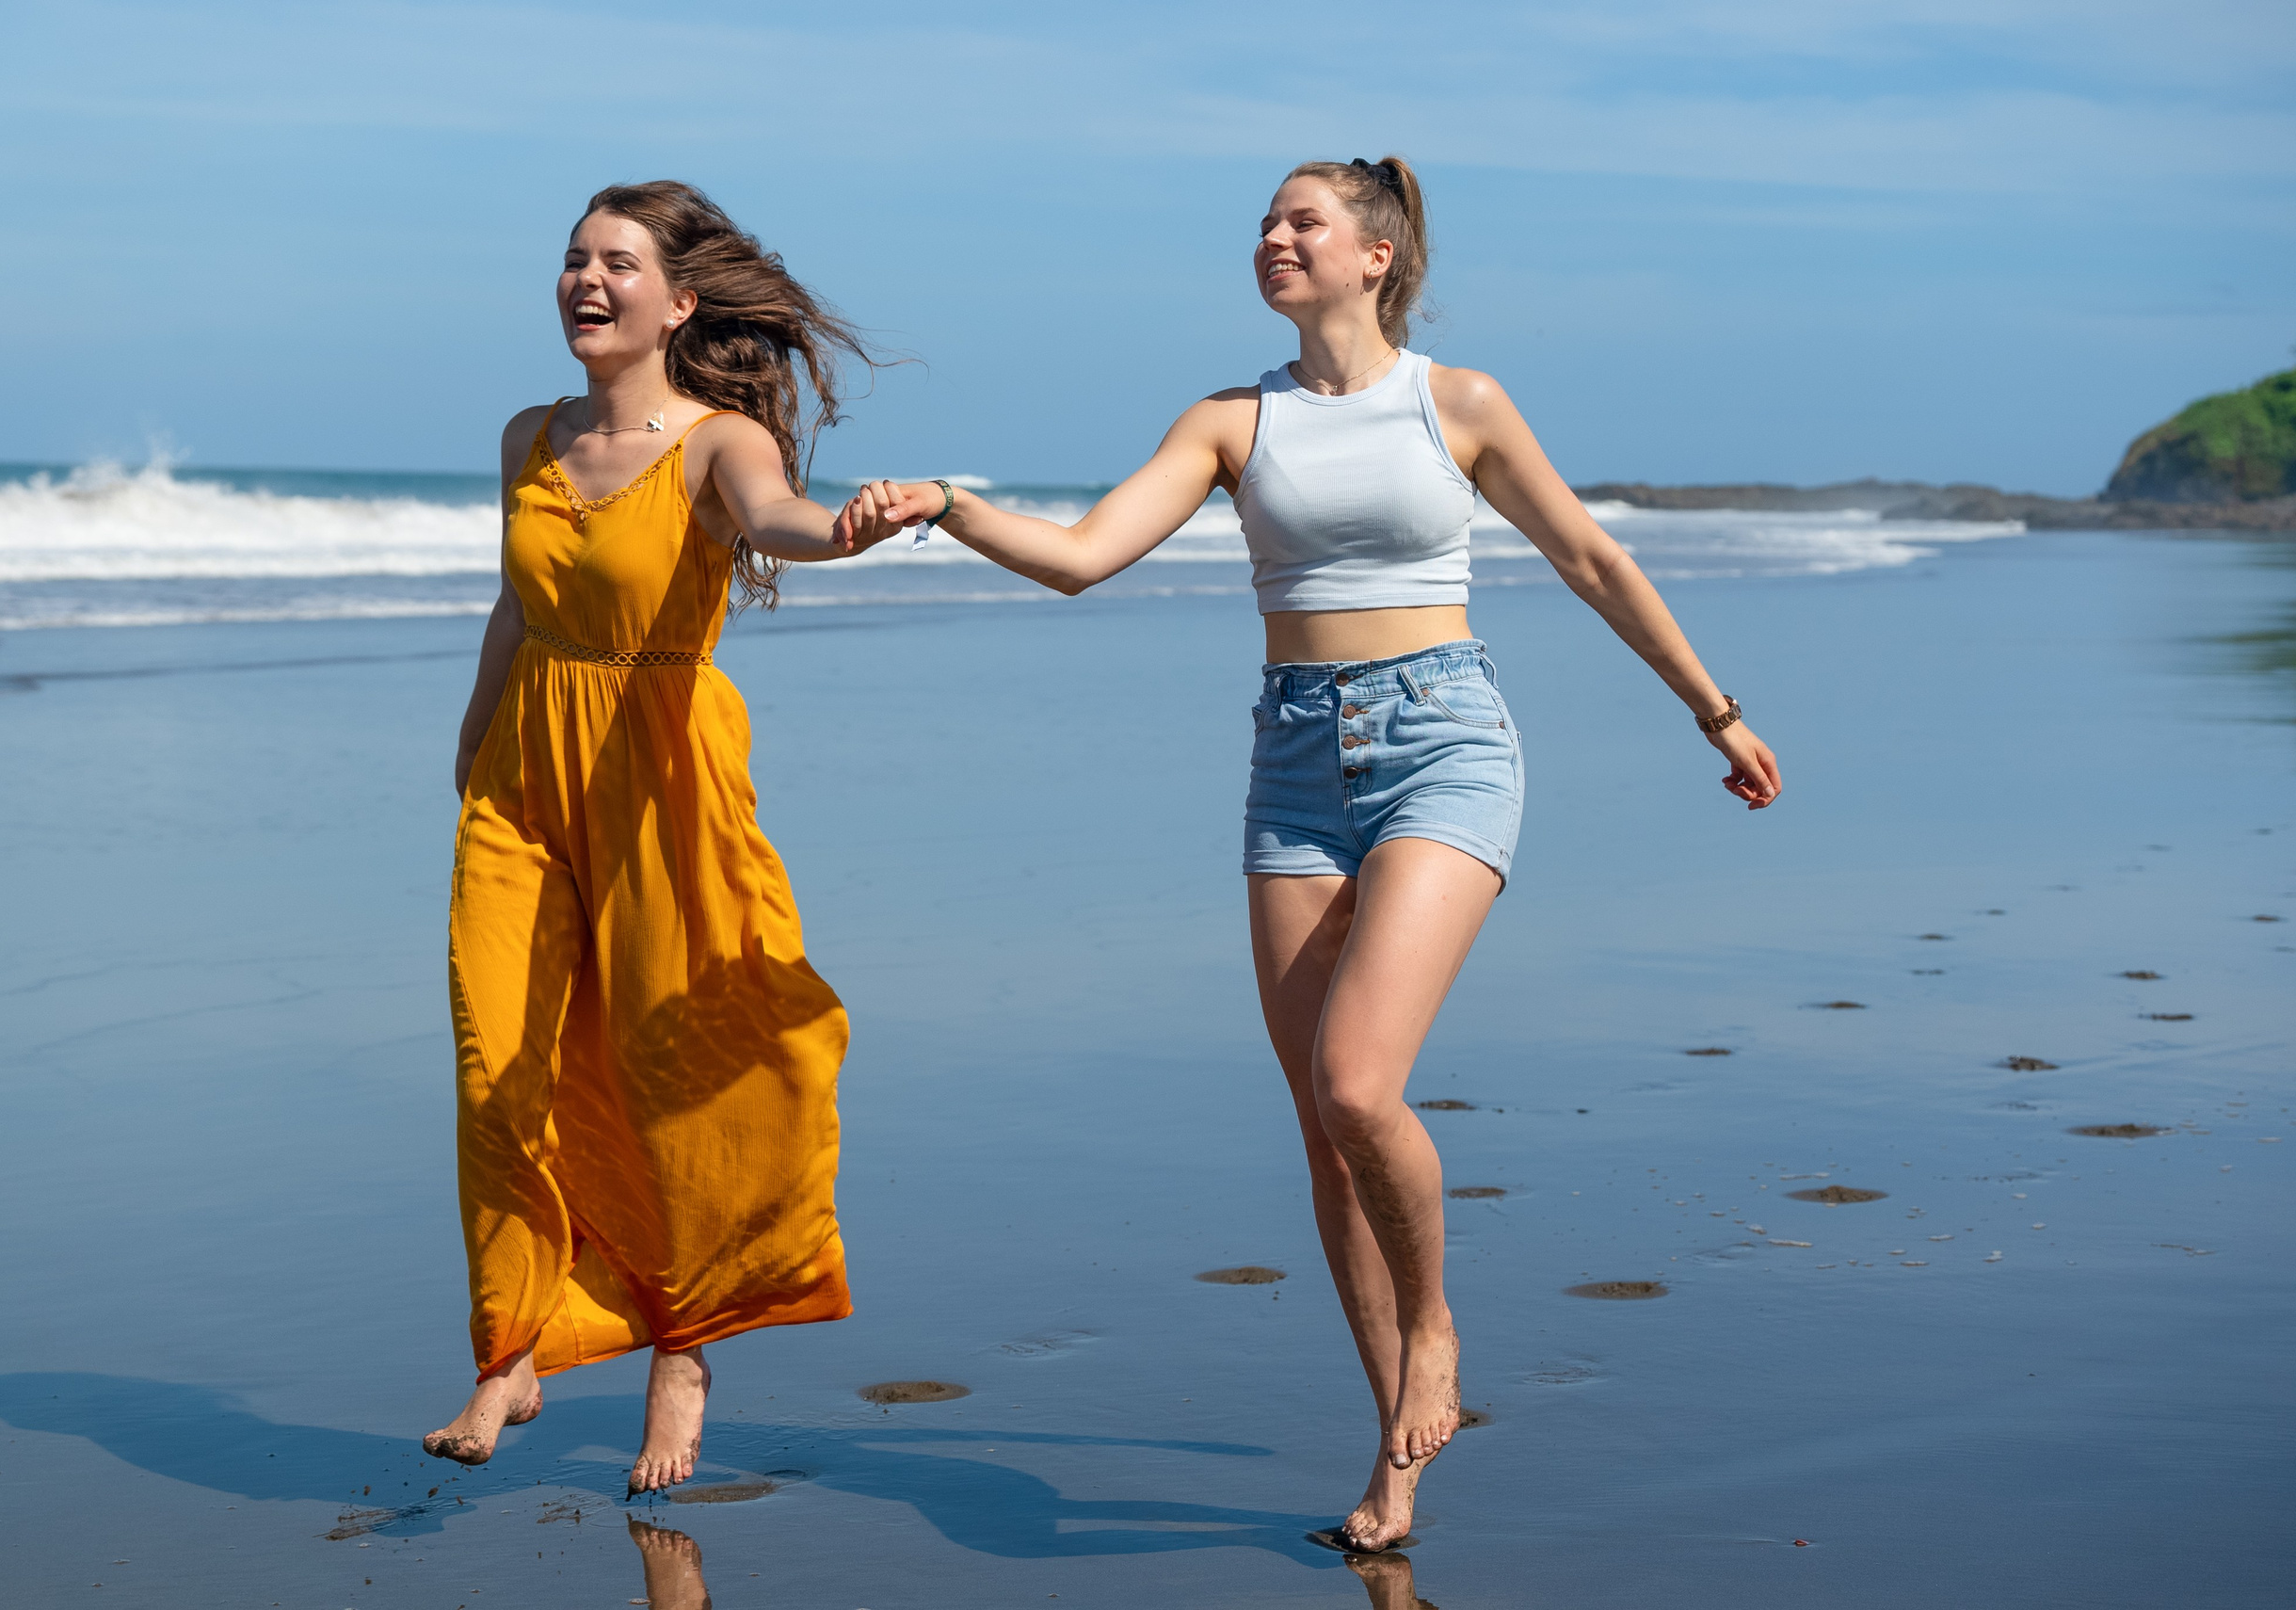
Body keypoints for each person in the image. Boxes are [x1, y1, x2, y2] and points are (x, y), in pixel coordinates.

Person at [834, 155, 1781, 1551]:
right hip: (1293, 764)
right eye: (1267, 222)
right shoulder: (1233, 421)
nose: (1275, 238)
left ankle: (1435, 1326)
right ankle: (1395, 1456)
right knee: (1325, 1139)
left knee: (1357, 1082)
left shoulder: (1459, 402)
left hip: (1444, 738)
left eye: (1304, 221)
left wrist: (1715, 708)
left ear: (1376, 254)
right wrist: (946, 503)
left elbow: (1589, 557)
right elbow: (1085, 556)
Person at [425, 181, 896, 1495]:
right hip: (523, 778)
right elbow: (516, 605)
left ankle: (684, 1345)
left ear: (680, 302)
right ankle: (512, 1346)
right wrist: (473, 741)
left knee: (669, 1065)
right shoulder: (528, 435)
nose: (587, 279)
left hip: (662, 780)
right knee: (496, 1059)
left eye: (618, 262)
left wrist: (846, 530)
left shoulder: (716, 444)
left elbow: (782, 520)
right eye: (575, 258)